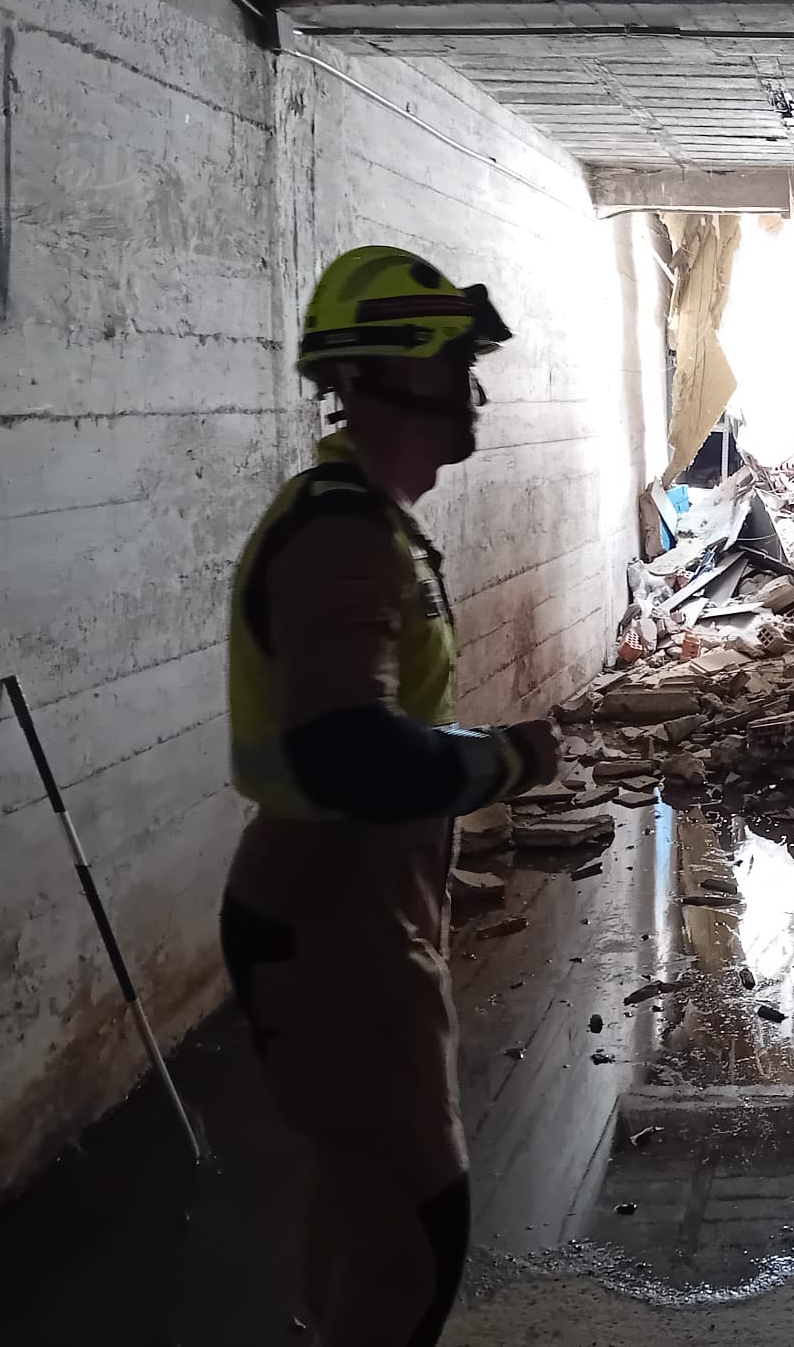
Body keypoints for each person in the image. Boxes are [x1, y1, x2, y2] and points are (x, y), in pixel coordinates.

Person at [220, 246, 560, 1345]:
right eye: (458, 365)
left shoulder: (368, 522)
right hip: (335, 913)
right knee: (419, 1215)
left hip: (358, 903)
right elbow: (349, 756)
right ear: (391, 374)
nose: (475, 390)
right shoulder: (342, 539)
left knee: (362, 1190)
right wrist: (505, 761)